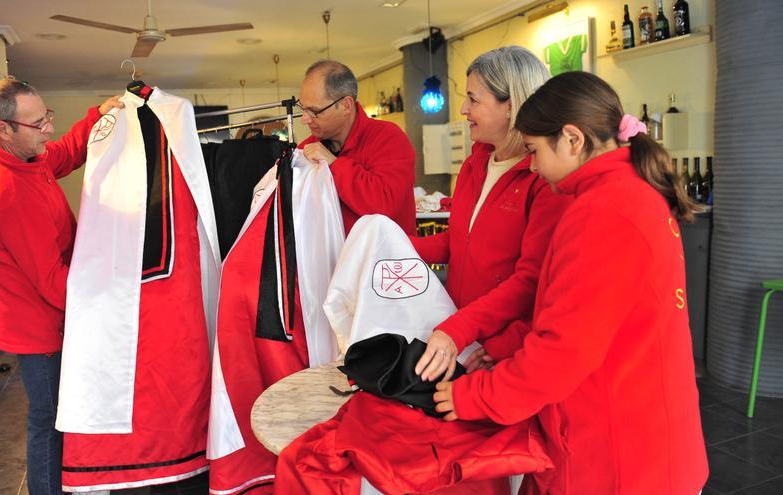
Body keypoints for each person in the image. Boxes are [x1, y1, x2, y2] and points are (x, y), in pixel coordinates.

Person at [432, 71, 708, 493]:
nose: (535, 166)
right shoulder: (622, 193)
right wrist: (505, 347)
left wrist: (476, 396)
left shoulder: (605, 210)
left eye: (535, 151)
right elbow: (581, 310)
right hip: (635, 427)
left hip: (619, 451)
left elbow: (563, 350)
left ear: (573, 139)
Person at [0, 79, 122, 495]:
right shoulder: (5, 189)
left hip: (49, 310)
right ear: (3, 128)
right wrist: (108, 300)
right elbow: (52, 281)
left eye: (46, 116)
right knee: (50, 420)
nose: (48, 129)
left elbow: (62, 155)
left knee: (54, 417)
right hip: (40, 326)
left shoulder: (21, 153)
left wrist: (97, 117)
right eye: (38, 124)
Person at [411, 46, 571, 382]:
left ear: (510, 105)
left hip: (498, 348)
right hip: (461, 334)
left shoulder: (543, 179)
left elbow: (532, 281)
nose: (463, 109)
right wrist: (389, 243)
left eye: (473, 99)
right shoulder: (476, 162)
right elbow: (458, 241)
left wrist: (486, 338)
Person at [298, 59, 417, 235]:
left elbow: (383, 206)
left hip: (382, 258)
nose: (305, 119)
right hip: (330, 261)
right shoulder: (307, 148)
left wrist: (334, 164)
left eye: (314, 111)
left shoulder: (388, 138)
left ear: (346, 105)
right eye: (302, 108)